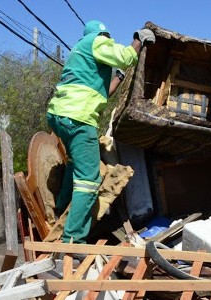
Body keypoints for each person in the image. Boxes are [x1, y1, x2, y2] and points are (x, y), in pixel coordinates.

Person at [46, 20, 155, 244]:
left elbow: (104, 93)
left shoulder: (79, 53)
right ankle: (72, 240)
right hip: (79, 118)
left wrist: (119, 76)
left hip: (60, 116)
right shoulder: (95, 41)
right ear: (103, 35)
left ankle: (61, 208)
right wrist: (138, 38)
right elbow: (125, 56)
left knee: (76, 164)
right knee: (88, 180)